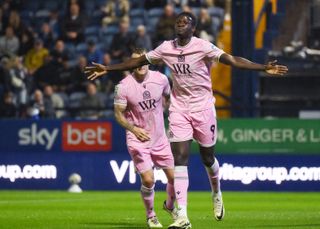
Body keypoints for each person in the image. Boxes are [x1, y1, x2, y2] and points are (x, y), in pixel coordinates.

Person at [85, 12, 288, 229]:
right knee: (180, 158)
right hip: (179, 109)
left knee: (207, 158)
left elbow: (232, 60)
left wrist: (262, 67)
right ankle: (182, 215)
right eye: (178, 22)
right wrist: (108, 68)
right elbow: (138, 60)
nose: (180, 24)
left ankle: (216, 192)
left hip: (203, 109)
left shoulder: (203, 46)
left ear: (193, 27)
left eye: (185, 22)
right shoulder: (165, 48)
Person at [113, 48, 176, 228]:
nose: (141, 64)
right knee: (149, 180)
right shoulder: (123, 86)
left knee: (175, 178)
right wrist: (133, 129)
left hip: (160, 138)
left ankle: (169, 206)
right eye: (136, 62)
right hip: (137, 138)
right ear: (131, 65)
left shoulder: (161, 79)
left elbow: (170, 99)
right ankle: (151, 215)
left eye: (143, 60)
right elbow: (118, 114)